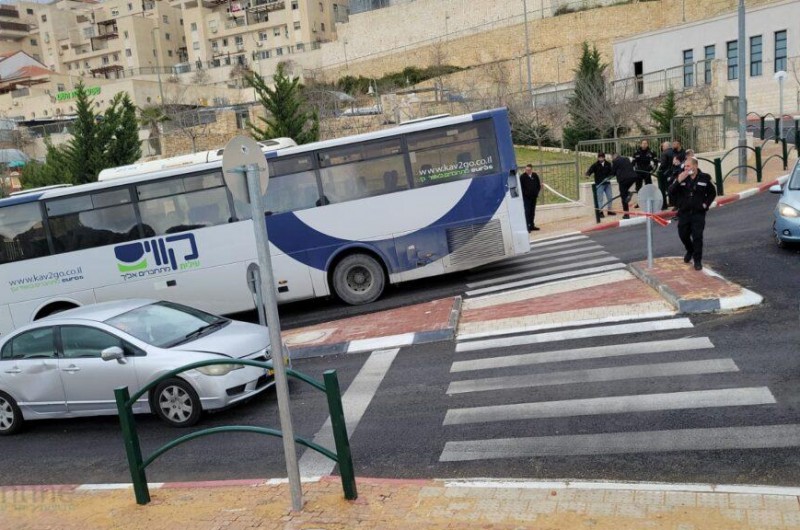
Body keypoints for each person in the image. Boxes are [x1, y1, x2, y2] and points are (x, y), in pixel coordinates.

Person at [668, 157, 717, 270]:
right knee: (683, 235)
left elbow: (712, 193)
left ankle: (697, 260)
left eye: (688, 166)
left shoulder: (705, 178)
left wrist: (705, 205)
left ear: (695, 166)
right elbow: (670, 191)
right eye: (685, 166)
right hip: (684, 213)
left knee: (697, 237)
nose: (686, 168)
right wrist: (678, 181)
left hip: (698, 214)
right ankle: (690, 250)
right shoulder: (681, 177)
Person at [585, 152, 615, 218]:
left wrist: (609, 177)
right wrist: (587, 175)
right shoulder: (595, 165)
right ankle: (600, 212)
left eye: (602, 157)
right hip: (599, 184)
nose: (601, 158)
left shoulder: (608, 164)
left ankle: (609, 210)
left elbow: (612, 172)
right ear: (598, 157)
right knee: (600, 199)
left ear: (604, 157)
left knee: (610, 197)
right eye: (599, 157)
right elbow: (590, 171)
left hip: (607, 184)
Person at [611, 153, 638, 219]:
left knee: (623, 196)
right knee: (625, 192)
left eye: (612, 158)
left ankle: (626, 214)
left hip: (623, 179)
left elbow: (613, 172)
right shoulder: (626, 158)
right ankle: (628, 193)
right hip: (633, 177)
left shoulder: (615, 161)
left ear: (614, 157)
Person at [519, 164, 542, 231]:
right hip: (526, 198)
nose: (527, 171)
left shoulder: (534, 175)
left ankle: (532, 225)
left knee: (532, 212)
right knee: (527, 212)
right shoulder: (522, 177)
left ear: (531, 170)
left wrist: (536, 192)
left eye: (529, 170)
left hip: (533, 197)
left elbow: (538, 185)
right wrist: (525, 194)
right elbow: (521, 188)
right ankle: (527, 226)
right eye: (526, 170)